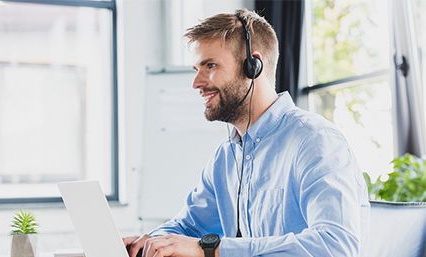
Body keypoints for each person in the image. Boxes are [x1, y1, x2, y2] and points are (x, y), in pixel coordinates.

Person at [122, 9, 369, 257]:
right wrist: (148, 243)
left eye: (210, 65)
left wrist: (213, 250)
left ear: (253, 66)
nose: (196, 83)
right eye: (197, 68)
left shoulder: (315, 141)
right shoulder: (226, 158)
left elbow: (335, 246)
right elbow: (189, 226)